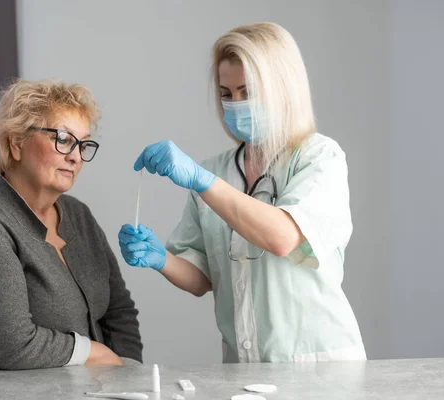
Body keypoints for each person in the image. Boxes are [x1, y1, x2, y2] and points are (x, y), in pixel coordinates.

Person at [118, 22, 365, 363]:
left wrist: (201, 181)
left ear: (283, 89)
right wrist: (161, 258)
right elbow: (201, 278)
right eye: (226, 93)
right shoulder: (215, 172)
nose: (235, 104)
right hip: (244, 369)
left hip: (318, 367)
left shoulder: (319, 157)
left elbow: (283, 237)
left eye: (248, 91)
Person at [0, 79, 142, 369]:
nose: (75, 156)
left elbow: (119, 312)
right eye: (63, 139)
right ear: (15, 143)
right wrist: (94, 353)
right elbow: (9, 346)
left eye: (83, 144)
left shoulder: (79, 215)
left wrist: (129, 374)